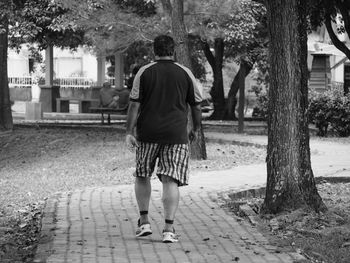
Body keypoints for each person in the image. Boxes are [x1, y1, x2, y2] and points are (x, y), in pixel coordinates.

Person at [125, 35, 202, 243]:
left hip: (147, 134)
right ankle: (168, 229)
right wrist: (195, 128)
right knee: (170, 179)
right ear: (174, 51)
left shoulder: (144, 72)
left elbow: (134, 105)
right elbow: (196, 106)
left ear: (154, 52)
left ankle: (144, 222)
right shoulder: (186, 73)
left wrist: (129, 131)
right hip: (176, 135)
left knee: (142, 175)